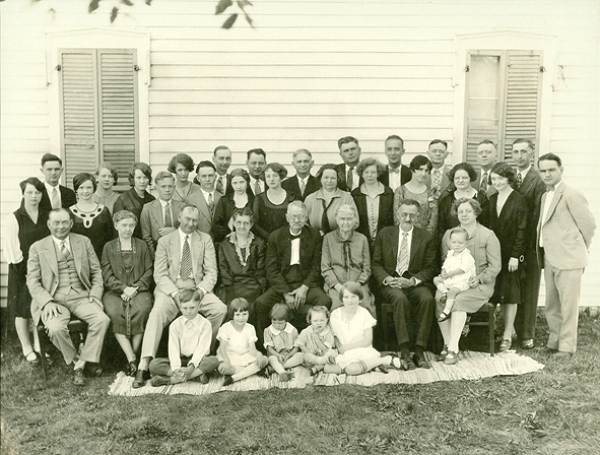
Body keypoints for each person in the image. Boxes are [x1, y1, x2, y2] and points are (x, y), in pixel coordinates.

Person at [132, 205, 227, 388]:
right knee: (157, 313)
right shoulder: (166, 241)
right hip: (171, 289)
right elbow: (159, 274)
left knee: (219, 309)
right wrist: (175, 293)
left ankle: (201, 357)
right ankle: (144, 364)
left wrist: (200, 291)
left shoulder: (204, 239)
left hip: (196, 288)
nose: (191, 224)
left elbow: (211, 273)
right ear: (179, 218)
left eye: (194, 220)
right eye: (187, 219)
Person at [26, 208, 110, 386]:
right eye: (56, 222)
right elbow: (32, 281)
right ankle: (77, 361)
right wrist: (46, 302)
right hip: (54, 299)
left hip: (82, 296)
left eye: (65, 222)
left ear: (71, 223)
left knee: (102, 320)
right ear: (49, 224)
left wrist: (95, 295)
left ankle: (82, 362)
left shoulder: (83, 242)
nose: (61, 226)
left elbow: (96, 272)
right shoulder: (37, 247)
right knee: (55, 328)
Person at [537, 153, 596, 358]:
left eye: (551, 169)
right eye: (543, 170)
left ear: (561, 170)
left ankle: (566, 347)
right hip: (550, 257)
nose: (547, 174)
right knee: (552, 304)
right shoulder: (545, 196)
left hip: (569, 259)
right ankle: (554, 341)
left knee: (569, 305)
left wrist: (578, 248)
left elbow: (588, 225)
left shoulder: (571, 194)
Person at [372, 199, 437, 370]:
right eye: (404, 214)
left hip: (414, 282)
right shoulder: (385, 234)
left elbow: (430, 267)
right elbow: (376, 263)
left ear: (418, 216)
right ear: (397, 214)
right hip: (391, 282)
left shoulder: (426, 237)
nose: (408, 218)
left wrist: (412, 281)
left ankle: (419, 349)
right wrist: (387, 278)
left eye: (412, 215)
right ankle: (405, 349)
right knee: (399, 299)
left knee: (427, 298)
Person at [255, 202, 331, 345]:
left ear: (306, 218)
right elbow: (271, 270)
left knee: (325, 301)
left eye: (301, 217)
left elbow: (316, 267)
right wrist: (285, 293)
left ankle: (317, 344)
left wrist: (304, 288)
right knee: (260, 303)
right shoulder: (275, 237)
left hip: (305, 284)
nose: (297, 220)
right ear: (287, 217)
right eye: (294, 216)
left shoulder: (314, 236)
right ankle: (266, 346)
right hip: (282, 284)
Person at [436, 199, 501, 365]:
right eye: (460, 212)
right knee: (439, 298)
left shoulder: (488, 235)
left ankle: (453, 349)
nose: (464, 215)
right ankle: (447, 343)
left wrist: (478, 279)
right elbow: (446, 260)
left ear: (476, 213)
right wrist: (445, 273)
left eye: (468, 211)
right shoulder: (449, 235)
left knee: (459, 301)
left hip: (478, 284)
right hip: (453, 281)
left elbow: (495, 266)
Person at [101, 210, 153, 377]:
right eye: (124, 225)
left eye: (131, 225)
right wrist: (123, 288)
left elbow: (149, 271)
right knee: (116, 313)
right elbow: (106, 274)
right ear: (116, 226)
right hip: (115, 292)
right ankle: (131, 358)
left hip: (139, 290)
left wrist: (135, 288)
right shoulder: (108, 247)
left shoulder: (142, 245)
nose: (127, 229)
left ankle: (134, 356)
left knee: (142, 311)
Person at [3, 178, 49, 363]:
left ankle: (39, 344)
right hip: (20, 268)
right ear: (23, 193)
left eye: (37, 192)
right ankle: (27, 347)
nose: (34, 196)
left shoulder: (46, 215)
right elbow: (12, 247)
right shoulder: (15, 217)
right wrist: (24, 270)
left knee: (37, 306)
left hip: (42, 268)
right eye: (30, 192)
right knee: (22, 308)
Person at [487, 162, 528, 352]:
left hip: (511, 254)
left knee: (510, 294)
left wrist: (515, 255)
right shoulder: (492, 198)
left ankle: (506, 336)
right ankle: (495, 331)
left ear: (509, 179)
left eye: (501, 178)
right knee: (495, 292)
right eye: (494, 178)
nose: (497, 182)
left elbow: (522, 230)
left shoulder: (519, 200)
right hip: (495, 254)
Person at [512, 138, 546, 349]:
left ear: (531, 154)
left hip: (531, 244)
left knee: (529, 289)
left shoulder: (538, 180)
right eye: (515, 152)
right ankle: (512, 330)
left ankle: (526, 334)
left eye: (523, 151)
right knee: (514, 288)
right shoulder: (511, 177)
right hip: (513, 243)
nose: (519, 156)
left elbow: (537, 216)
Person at [149, 289, 220, 386]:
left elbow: (202, 348)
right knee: (154, 364)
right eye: (185, 308)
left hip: (198, 361)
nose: (188, 311)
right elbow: (173, 349)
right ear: (180, 307)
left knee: (214, 360)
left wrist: (191, 367)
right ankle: (196, 375)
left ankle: (172, 380)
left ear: (199, 306)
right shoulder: (175, 325)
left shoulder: (205, 324)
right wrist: (176, 368)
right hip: (180, 360)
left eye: (192, 307)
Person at [327, 282, 400, 375]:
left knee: (351, 370)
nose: (350, 300)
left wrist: (347, 347)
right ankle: (378, 363)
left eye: (354, 297)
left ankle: (382, 361)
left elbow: (367, 340)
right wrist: (339, 349)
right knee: (330, 366)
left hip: (362, 350)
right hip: (344, 353)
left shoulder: (364, 313)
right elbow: (334, 336)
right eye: (346, 297)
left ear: (360, 299)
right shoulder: (335, 315)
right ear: (342, 300)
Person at [321, 203, 375, 315]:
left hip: (359, 284)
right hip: (336, 286)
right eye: (342, 219)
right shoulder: (328, 238)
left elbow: (367, 268)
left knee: (365, 307)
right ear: (336, 219)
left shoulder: (362, 239)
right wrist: (339, 287)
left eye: (349, 219)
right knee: (337, 307)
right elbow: (325, 268)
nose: (345, 222)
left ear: (355, 219)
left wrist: (357, 285)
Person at [217, 207, 267, 323]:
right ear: (234, 223)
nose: (242, 226)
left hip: (253, 285)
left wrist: (259, 288)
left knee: (255, 307)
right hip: (232, 286)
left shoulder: (259, 243)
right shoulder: (224, 245)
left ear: (251, 224)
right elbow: (224, 271)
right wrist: (230, 289)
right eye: (238, 222)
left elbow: (260, 270)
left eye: (246, 223)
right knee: (232, 306)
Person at [217, 298, 269, 386]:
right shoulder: (225, 327)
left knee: (265, 360)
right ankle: (252, 371)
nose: (241, 318)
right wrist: (227, 361)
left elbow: (252, 349)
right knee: (222, 368)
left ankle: (234, 378)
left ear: (249, 314)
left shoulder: (250, 328)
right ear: (232, 315)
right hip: (230, 355)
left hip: (246, 354)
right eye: (237, 315)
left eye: (244, 314)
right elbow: (222, 348)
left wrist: (259, 356)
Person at [68, 173, 115, 260]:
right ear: (76, 190)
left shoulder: (104, 211)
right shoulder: (69, 213)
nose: (85, 191)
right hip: (77, 262)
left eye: (89, 187)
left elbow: (110, 239)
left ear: (94, 189)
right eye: (81, 188)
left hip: (101, 261)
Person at [437, 162, 488, 240]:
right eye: (457, 178)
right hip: (452, 245)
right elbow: (441, 228)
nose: (460, 181)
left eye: (464, 178)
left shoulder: (481, 199)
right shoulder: (446, 200)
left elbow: (486, 225)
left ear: (470, 178)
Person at [435, 227, 476, 321]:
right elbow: (445, 266)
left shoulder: (467, 256)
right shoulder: (451, 254)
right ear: (450, 243)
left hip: (462, 281)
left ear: (466, 243)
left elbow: (462, 269)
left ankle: (446, 311)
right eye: (454, 242)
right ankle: (445, 293)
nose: (457, 245)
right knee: (436, 279)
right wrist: (444, 272)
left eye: (460, 243)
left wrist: (449, 274)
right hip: (451, 279)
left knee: (452, 291)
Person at [351, 157, 395, 248]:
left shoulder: (388, 193)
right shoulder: (355, 194)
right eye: (366, 172)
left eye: (373, 172)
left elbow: (391, 220)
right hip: (361, 242)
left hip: (384, 242)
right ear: (361, 174)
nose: (369, 175)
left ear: (378, 173)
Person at [140, 171, 184, 257]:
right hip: (157, 254)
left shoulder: (183, 207)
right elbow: (146, 237)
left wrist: (175, 231)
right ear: (156, 187)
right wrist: (156, 257)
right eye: (163, 186)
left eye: (170, 186)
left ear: (174, 187)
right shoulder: (148, 208)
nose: (167, 190)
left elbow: (189, 232)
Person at [305, 163, 356, 235]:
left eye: (333, 178)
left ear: (338, 179)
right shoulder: (310, 199)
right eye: (326, 177)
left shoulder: (346, 198)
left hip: (339, 240)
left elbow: (355, 222)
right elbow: (304, 222)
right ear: (320, 179)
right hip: (315, 240)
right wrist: (314, 234)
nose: (329, 181)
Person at [393, 155, 438, 233]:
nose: (424, 173)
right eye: (420, 169)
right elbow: (397, 217)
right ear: (412, 170)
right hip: (404, 234)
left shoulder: (431, 193)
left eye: (426, 170)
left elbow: (433, 218)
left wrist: (426, 237)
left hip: (424, 236)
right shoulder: (401, 191)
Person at [252, 162, 295, 240]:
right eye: (268, 176)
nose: (271, 179)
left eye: (275, 176)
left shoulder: (291, 197)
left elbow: (295, 220)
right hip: (266, 242)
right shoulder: (259, 199)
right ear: (265, 178)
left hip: (287, 241)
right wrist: (270, 237)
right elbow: (255, 224)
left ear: (281, 177)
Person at [113, 162, 155, 239]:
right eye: (139, 178)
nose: (142, 181)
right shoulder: (123, 199)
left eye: (145, 177)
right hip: (129, 242)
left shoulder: (152, 199)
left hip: (148, 243)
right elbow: (117, 227)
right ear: (133, 179)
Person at [211, 168, 254, 242]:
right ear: (231, 184)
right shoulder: (224, 200)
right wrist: (230, 234)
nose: (238, 186)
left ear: (247, 183)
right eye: (235, 183)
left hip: (250, 241)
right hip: (228, 241)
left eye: (241, 182)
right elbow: (216, 225)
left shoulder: (254, 200)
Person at [263, 303, 304, 382]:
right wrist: (278, 355)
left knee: (301, 356)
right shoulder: (268, 330)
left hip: (289, 356)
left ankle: (273, 369)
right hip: (276, 355)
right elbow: (269, 348)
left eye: (280, 323)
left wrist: (288, 355)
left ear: (286, 321)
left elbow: (296, 347)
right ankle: (282, 372)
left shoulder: (292, 330)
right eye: (274, 322)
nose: (276, 325)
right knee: (271, 359)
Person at [295, 306, 337, 375]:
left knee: (331, 355)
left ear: (327, 320)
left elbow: (325, 349)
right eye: (315, 321)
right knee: (299, 356)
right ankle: (286, 366)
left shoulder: (328, 333)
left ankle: (314, 369)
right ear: (310, 320)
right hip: (309, 355)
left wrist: (316, 336)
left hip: (323, 355)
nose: (319, 323)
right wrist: (309, 353)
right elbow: (301, 344)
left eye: (322, 320)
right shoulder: (306, 331)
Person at [189, 160, 222, 234]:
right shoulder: (191, 199)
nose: (207, 179)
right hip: (199, 242)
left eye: (210, 175)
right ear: (198, 178)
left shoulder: (222, 198)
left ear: (215, 177)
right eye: (204, 176)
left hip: (220, 243)